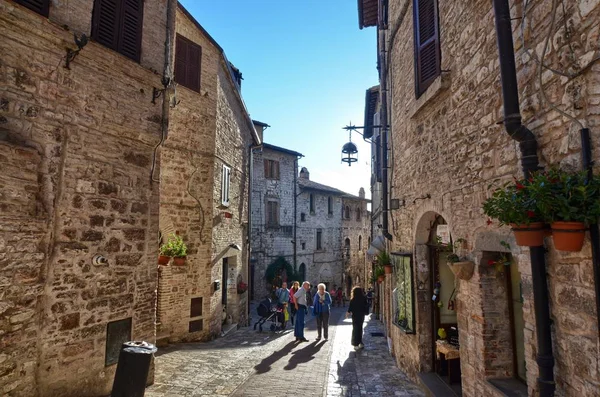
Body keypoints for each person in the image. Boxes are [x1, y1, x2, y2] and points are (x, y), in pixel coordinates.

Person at [346, 286, 369, 351]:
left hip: (355, 316)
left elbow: (350, 308)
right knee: (360, 328)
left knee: (355, 329)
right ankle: (360, 342)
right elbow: (366, 305)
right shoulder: (364, 298)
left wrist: (347, 314)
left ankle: (355, 344)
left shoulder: (353, 299)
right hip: (361, 315)